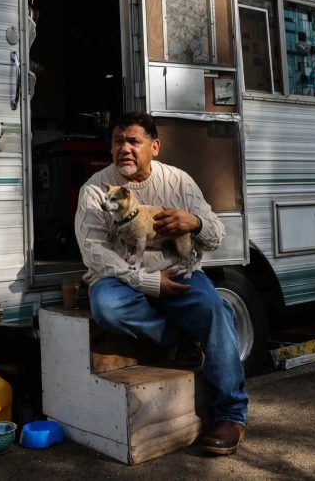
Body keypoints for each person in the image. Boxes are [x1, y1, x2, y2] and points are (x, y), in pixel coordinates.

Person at [74, 112, 248, 455]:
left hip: (179, 273)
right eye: (117, 141)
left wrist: (194, 222)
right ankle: (180, 336)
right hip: (124, 280)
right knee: (105, 306)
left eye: (134, 141)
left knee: (215, 309)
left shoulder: (179, 182)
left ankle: (231, 415)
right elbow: (94, 252)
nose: (124, 148)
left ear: (154, 147)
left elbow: (217, 236)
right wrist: (148, 282)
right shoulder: (95, 190)